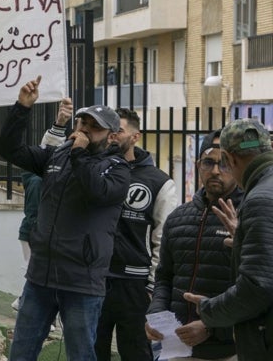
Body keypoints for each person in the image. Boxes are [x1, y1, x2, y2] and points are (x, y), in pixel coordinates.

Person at [0, 76, 130, 361]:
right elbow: (9, 150)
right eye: (83, 124)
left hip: (81, 281)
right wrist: (21, 108)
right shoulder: (56, 156)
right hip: (40, 276)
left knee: (81, 354)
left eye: (95, 127)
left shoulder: (117, 168)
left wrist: (79, 152)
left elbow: (96, 191)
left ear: (111, 136)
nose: (85, 130)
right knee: (20, 352)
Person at [145, 130, 240, 361]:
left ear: (237, 167)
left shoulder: (250, 215)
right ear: (198, 165)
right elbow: (164, 276)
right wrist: (155, 313)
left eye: (224, 163)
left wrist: (210, 327)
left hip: (229, 350)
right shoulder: (178, 217)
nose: (216, 171)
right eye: (209, 162)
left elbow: (254, 290)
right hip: (175, 347)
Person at [185, 118, 273, 361]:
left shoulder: (260, 199)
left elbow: (258, 288)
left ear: (230, 159)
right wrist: (245, 242)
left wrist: (208, 310)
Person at [94, 108, 179, 361]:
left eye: (118, 130)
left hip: (135, 287)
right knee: (90, 351)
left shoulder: (159, 182)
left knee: (136, 353)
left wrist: (153, 285)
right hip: (94, 280)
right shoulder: (94, 171)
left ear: (135, 136)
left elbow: (164, 239)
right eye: (109, 131)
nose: (112, 136)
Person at [12, 98, 73, 312]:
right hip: (32, 230)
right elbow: (46, 148)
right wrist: (60, 124)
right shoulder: (34, 173)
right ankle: (25, 302)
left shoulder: (48, 174)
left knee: (37, 270)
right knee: (33, 269)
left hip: (41, 231)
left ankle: (25, 302)